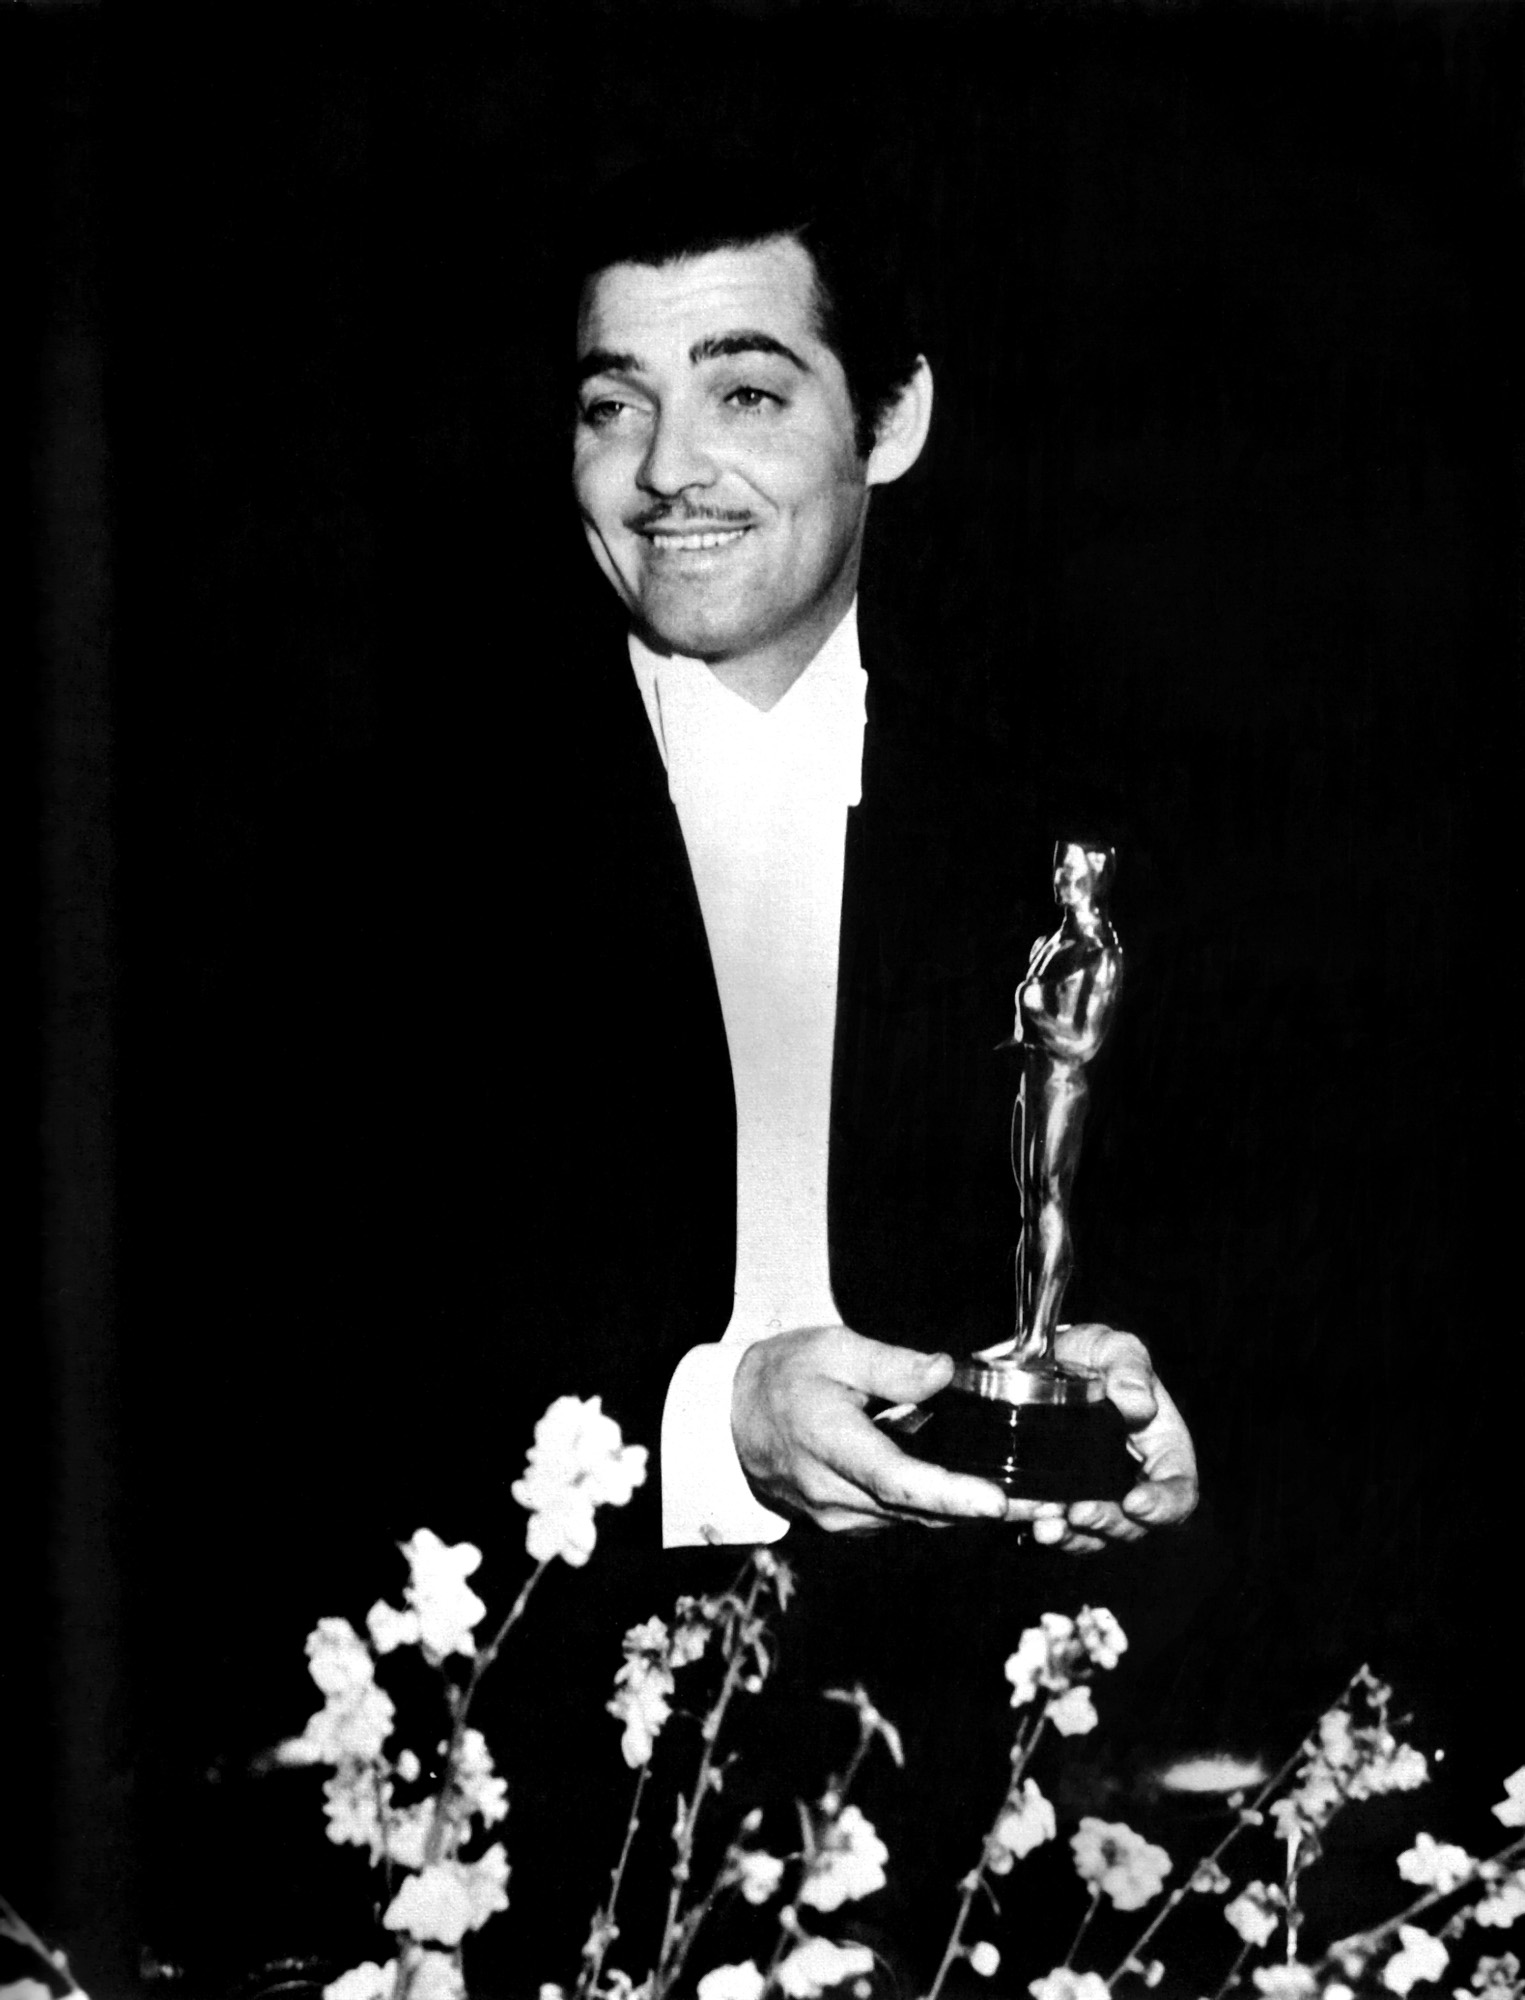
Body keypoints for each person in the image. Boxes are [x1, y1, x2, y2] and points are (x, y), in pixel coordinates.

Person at [562, 165, 1198, 1558]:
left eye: (745, 394)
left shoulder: (1072, 829)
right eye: (615, 405)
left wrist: (1160, 1417)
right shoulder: (388, 852)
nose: (665, 469)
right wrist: (712, 1427)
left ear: (890, 419)